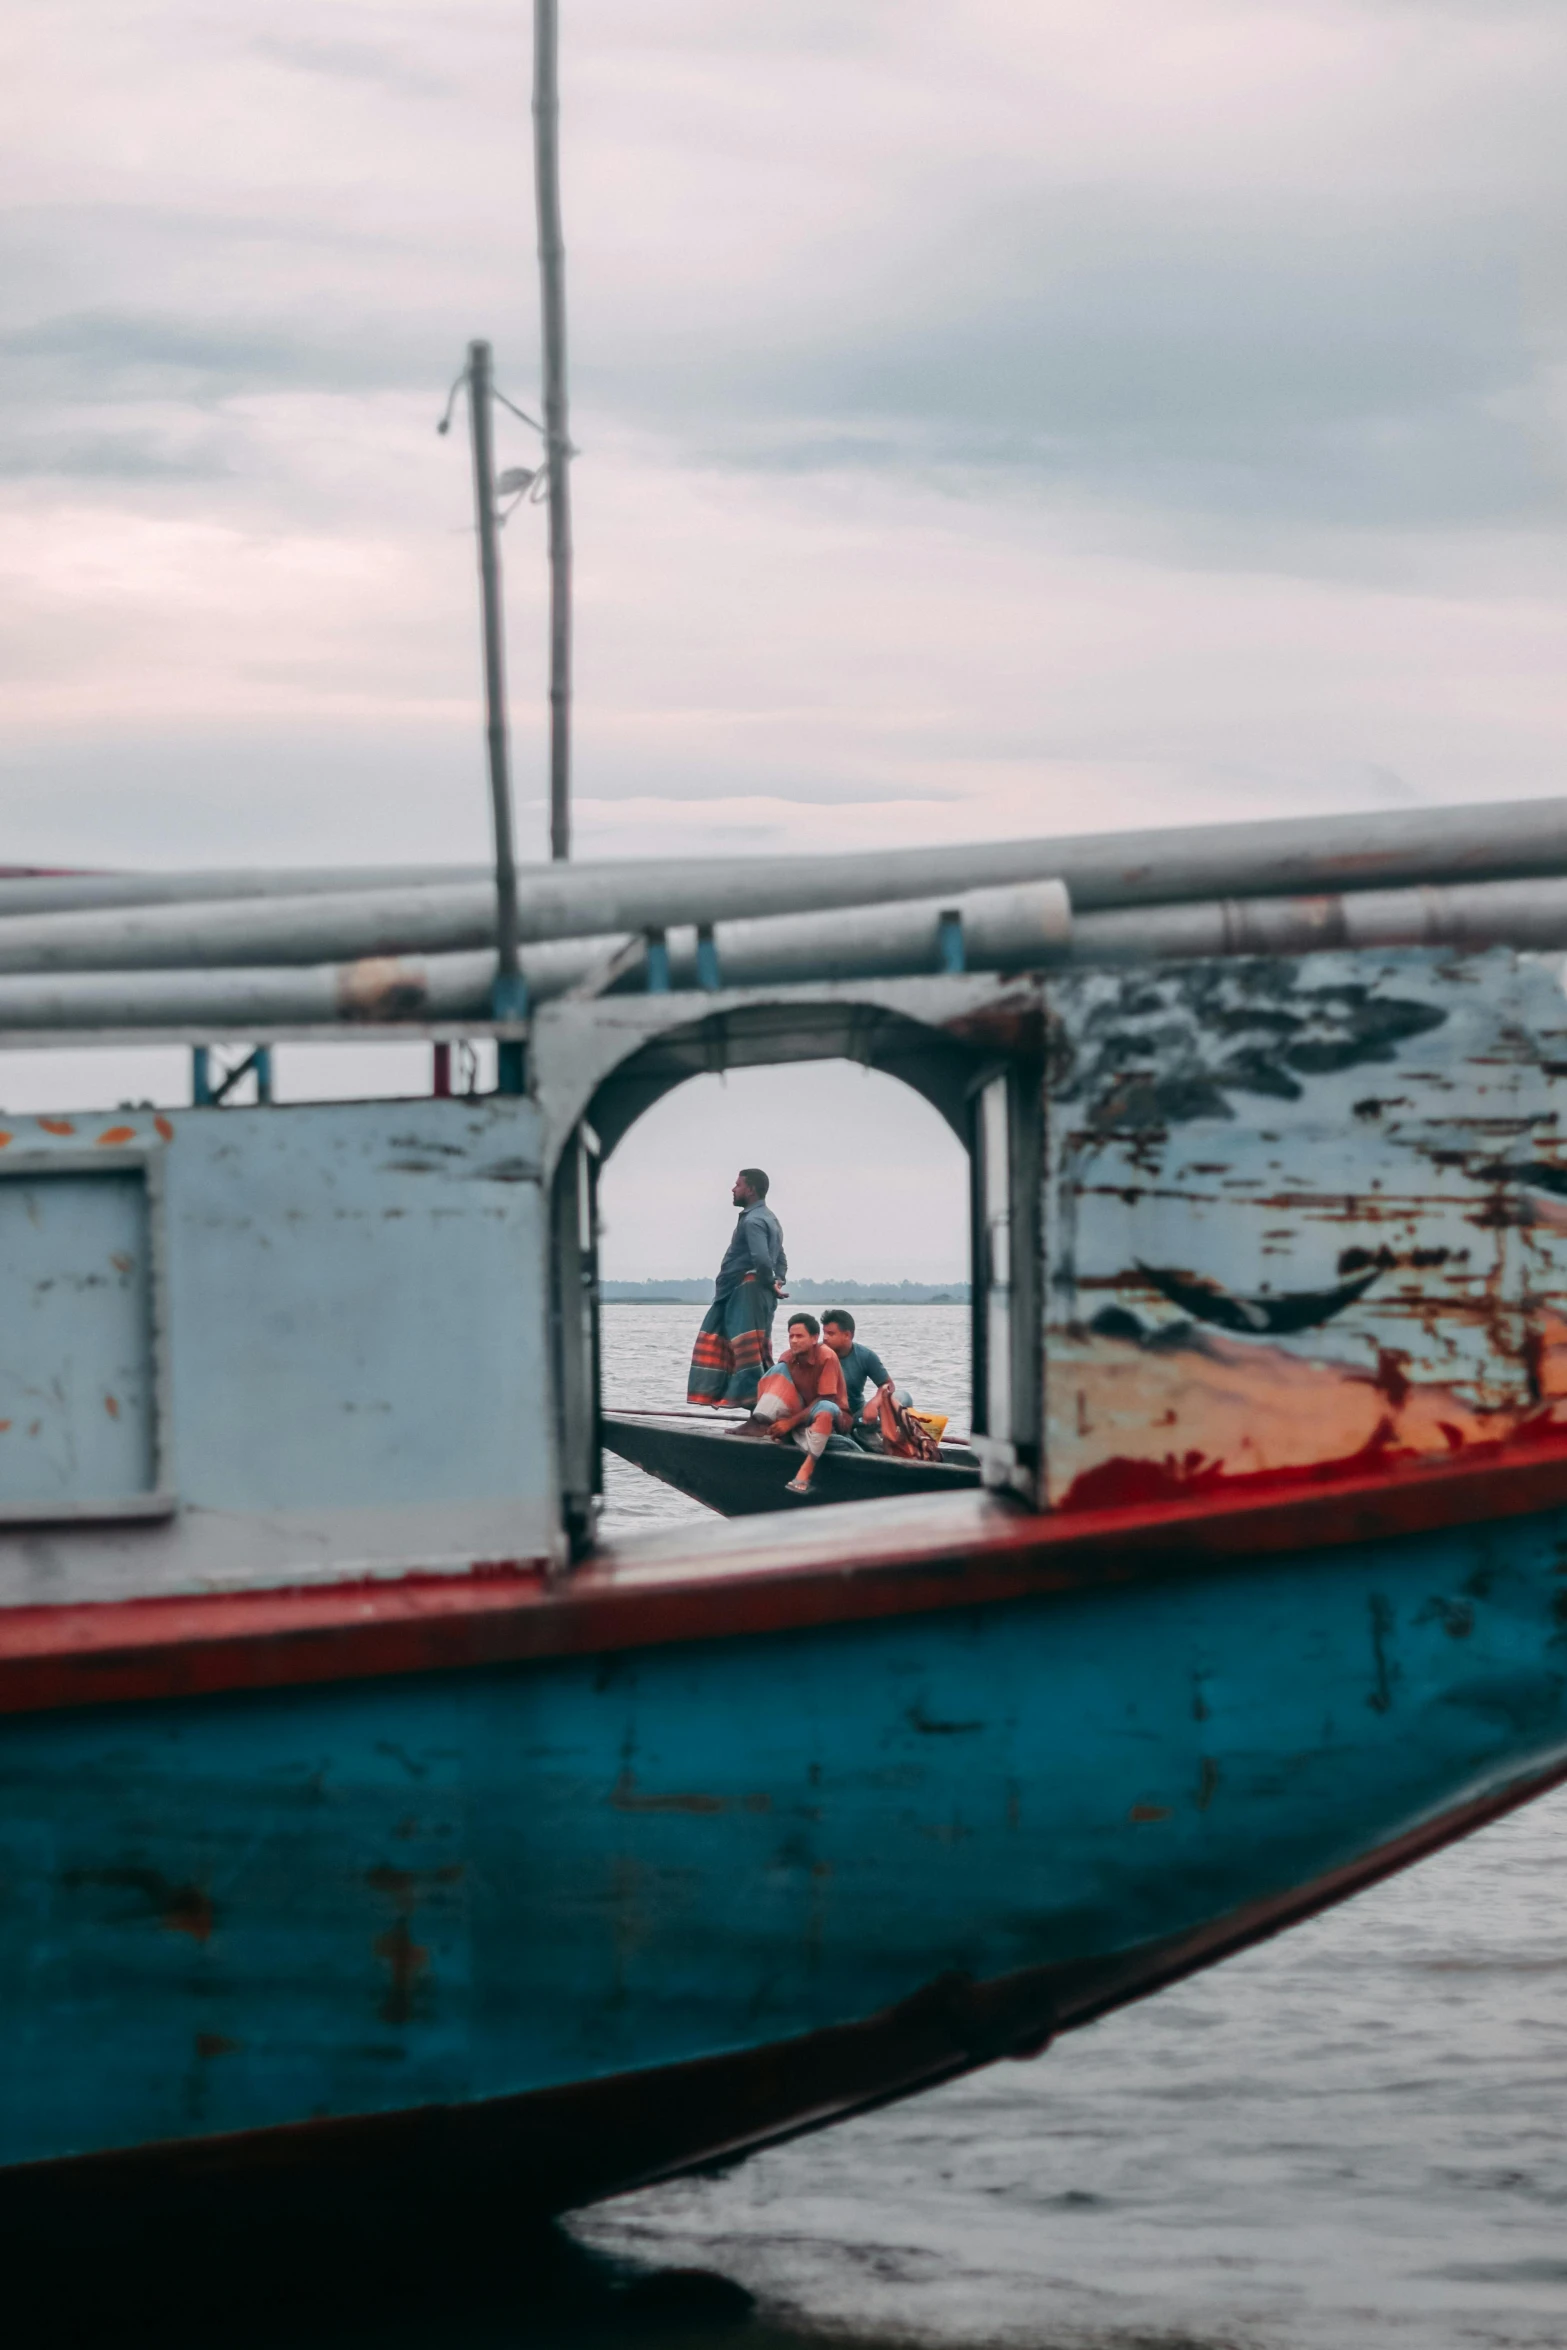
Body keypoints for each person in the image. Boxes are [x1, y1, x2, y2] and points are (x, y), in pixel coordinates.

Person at [687, 1167, 789, 1409]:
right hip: (747, 1294)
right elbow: (780, 1258)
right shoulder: (769, 1218)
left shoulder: (754, 1220)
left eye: (738, 1185)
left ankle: (759, 1415)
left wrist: (768, 1281)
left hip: (746, 1294)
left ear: (751, 1190)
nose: (733, 1189)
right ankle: (762, 1412)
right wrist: (778, 1280)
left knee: (747, 1354)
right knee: (749, 1352)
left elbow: (763, 1260)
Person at [746, 1312, 848, 1495]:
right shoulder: (788, 1357)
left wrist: (790, 1423)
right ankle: (759, 1423)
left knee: (825, 1407)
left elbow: (827, 1399)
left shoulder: (827, 1357)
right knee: (778, 1370)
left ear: (814, 1338)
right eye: (791, 1336)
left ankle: (806, 1470)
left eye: (799, 1336)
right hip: (803, 1414)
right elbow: (777, 1388)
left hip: (833, 1417)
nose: (793, 1341)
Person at [820, 1309, 903, 1425]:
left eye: (830, 1333)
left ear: (847, 1335)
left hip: (857, 1414)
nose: (825, 1338)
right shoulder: (816, 1354)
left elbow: (888, 1385)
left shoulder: (865, 1356)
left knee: (902, 1397)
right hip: (825, 1414)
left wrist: (874, 1403)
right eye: (824, 1333)